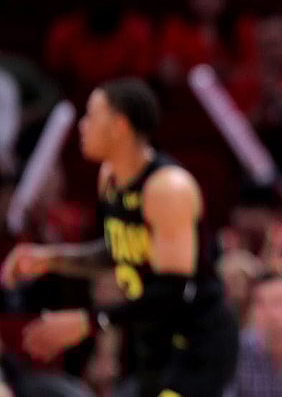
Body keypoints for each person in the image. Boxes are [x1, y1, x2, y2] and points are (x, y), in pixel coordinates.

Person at [0, 77, 238, 397]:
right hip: (154, 342)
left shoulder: (167, 188)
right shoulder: (110, 177)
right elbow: (118, 251)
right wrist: (51, 259)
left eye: (91, 116)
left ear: (119, 126)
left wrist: (88, 321)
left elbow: (173, 290)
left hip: (196, 344)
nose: (82, 126)